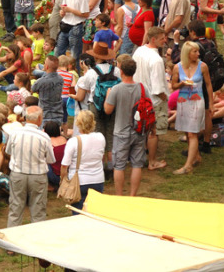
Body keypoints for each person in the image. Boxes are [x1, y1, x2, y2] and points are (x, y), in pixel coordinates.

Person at [4, 106, 54, 227]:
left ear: (25, 118)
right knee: (38, 211)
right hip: (37, 176)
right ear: (39, 119)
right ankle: (35, 242)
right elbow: (50, 159)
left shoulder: (15, 133)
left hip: (18, 174)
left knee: (15, 209)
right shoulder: (44, 137)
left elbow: (8, 151)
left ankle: (11, 242)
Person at [104, 58, 146, 196]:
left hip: (121, 132)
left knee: (119, 166)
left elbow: (108, 110)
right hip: (139, 131)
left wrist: (108, 96)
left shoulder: (117, 89)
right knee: (137, 165)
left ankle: (119, 196)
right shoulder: (142, 88)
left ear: (121, 71)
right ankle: (133, 195)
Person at [171, 42, 213, 174]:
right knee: (187, 132)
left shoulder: (203, 66)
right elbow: (173, 86)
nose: (198, 54)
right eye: (195, 51)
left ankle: (187, 166)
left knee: (192, 133)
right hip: (183, 102)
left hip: (197, 101)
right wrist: (182, 83)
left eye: (198, 51)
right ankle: (196, 156)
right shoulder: (177, 67)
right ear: (187, 53)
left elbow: (208, 85)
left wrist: (210, 103)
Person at [132, 27, 169, 171]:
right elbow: (158, 88)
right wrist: (165, 97)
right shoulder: (157, 60)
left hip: (139, 98)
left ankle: (139, 154)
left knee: (141, 130)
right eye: (162, 38)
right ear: (153, 39)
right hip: (154, 101)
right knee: (154, 132)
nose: (165, 40)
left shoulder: (139, 51)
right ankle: (152, 161)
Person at [61, 110, 105, 212]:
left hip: (79, 181)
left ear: (78, 124)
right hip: (98, 179)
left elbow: (64, 165)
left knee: (78, 212)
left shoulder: (73, 141)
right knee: (95, 212)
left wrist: (63, 180)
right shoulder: (101, 137)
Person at [55, 0, 89, 65]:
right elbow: (64, 6)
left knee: (74, 57)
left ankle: (75, 76)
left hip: (76, 28)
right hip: (65, 25)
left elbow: (86, 14)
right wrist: (62, 11)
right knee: (58, 52)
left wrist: (70, 10)